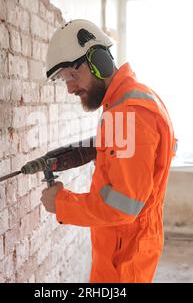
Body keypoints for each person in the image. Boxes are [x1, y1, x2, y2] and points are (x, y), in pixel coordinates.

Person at [40, 19, 176, 283]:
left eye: (71, 75)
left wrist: (60, 203)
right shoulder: (127, 101)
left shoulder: (128, 114)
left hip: (124, 256)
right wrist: (95, 148)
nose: (69, 88)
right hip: (121, 245)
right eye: (64, 79)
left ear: (98, 61)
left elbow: (122, 206)